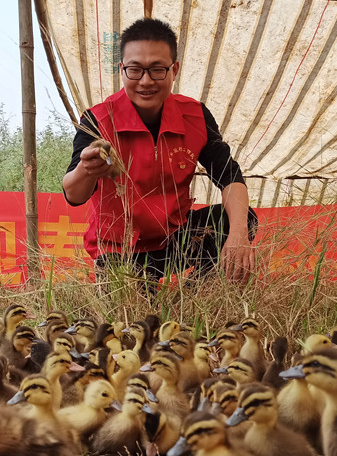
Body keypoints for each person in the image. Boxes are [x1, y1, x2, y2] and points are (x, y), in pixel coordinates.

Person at [62, 18, 256, 283]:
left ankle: (193, 300)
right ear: (122, 69)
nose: (145, 81)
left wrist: (238, 236)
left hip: (175, 239)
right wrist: (86, 170)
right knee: (135, 321)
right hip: (120, 251)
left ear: (174, 69)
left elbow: (229, 176)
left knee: (239, 220)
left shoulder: (195, 116)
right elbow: (73, 194)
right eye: (135, 70)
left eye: (157, 70)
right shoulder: (98, 120)